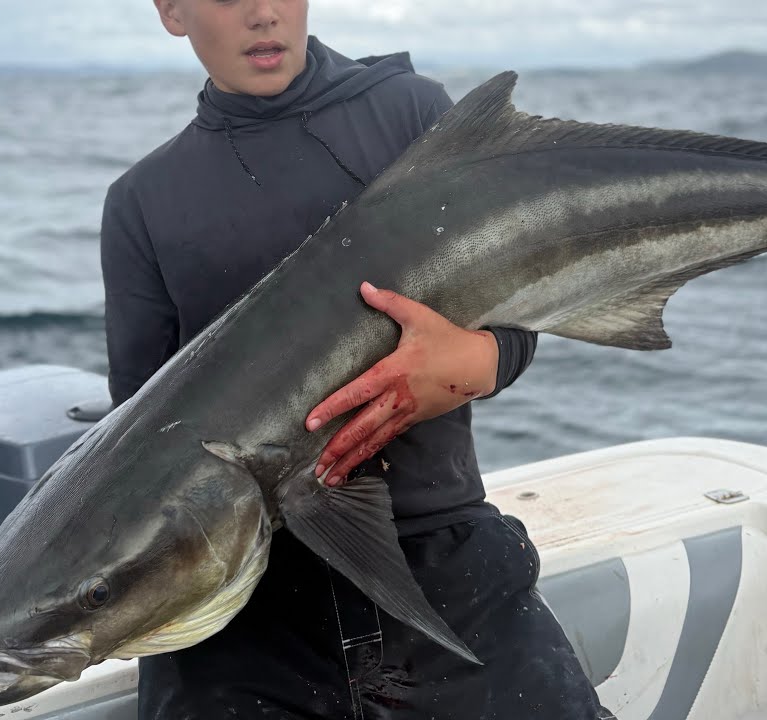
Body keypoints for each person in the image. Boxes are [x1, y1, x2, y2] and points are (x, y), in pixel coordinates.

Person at [99, 1, 612, 718]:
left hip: (438, 553)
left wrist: (466, 365)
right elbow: (139, 451)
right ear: (172, 12)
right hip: (256, 601)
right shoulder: (142, 203)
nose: (261, 12)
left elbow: (520, 316)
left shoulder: (409, 114)